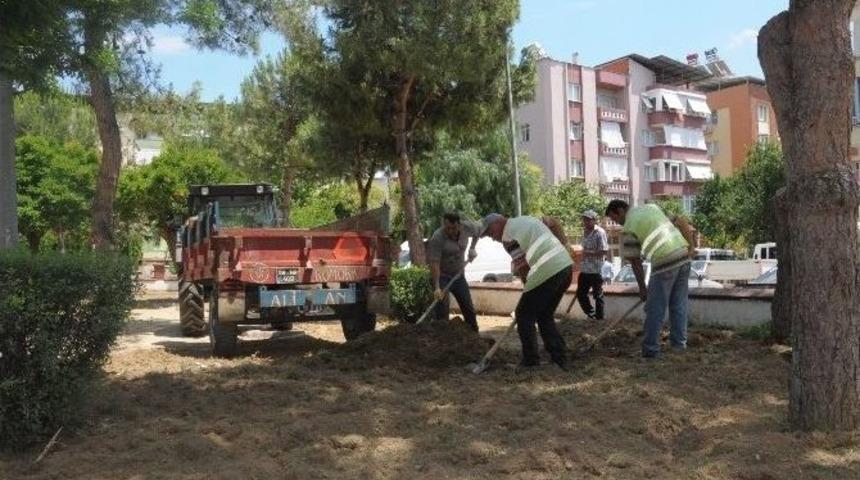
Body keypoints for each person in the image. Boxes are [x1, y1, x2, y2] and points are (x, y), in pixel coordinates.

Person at [604, 200, 697, 359]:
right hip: (682, 256)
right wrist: (691, 246)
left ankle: (650, 351)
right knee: (679, 304)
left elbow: (635, 261)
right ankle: (679, 346)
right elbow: (680, 221)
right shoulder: (652, 207)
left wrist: (642, 289)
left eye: (615, 218)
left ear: (620, 210)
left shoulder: (628, 229)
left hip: (664, 262)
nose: (617, 223)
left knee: (655, 309)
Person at [480, 213, 573, 370]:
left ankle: (530, 361)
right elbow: (551, 227)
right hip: (565, 268)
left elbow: (523, 268)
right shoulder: (525, 219)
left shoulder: (508, 237)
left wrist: (527, 288)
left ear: (497, 223)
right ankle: (559, 358)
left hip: (548, 272)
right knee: (544, 316)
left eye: (490, 232)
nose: (492, 238)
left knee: (523, 315)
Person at [426, 212, 481, 331]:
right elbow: (434, 263)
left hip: (459, 276)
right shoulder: (437, 237)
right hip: (442, 277)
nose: (450, 231)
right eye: (447, 228)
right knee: (442, 308)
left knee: (467, 306)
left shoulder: (467, 227)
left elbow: (478, 232)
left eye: (454, 228)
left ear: (459, 224)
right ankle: (442, 338)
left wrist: (472, 248)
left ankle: (474, 335)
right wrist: (437, 287)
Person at [577, 210, 609, 320]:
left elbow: (604, 251)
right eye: (584, 219)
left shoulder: (600, 232)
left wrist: (588, 252)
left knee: (597, 295)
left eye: (588, 219)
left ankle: (600, 318)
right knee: (581, 294)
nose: (585, 221)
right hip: (585, 269)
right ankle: (591, 314)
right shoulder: (584, 231)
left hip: (596, 269)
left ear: (594, 220)